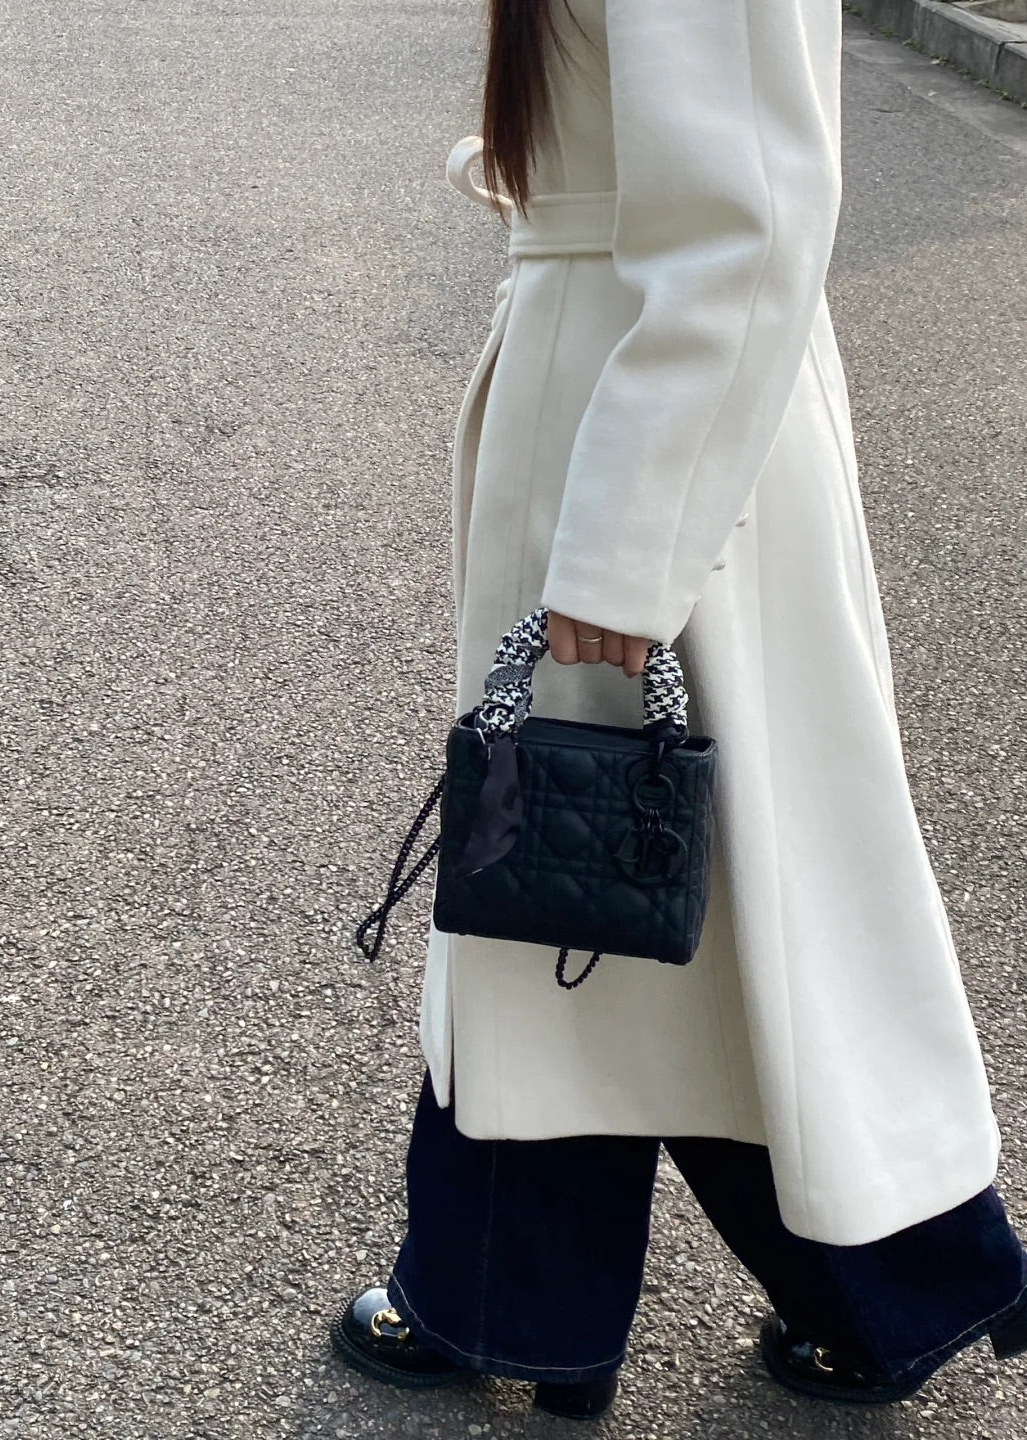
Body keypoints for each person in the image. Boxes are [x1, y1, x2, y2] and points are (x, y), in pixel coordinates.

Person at [331, 0, 1027, 1420]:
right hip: (635, 392)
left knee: (594, 858)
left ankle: (528, 1292)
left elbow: (749, 216)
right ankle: (550, 1293)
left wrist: (624, 552)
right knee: (630, 877)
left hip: (653, 418)